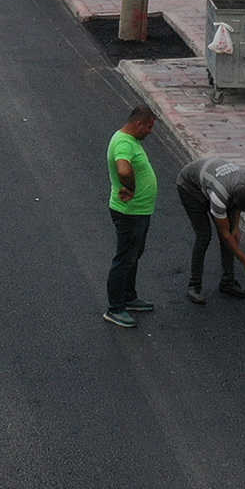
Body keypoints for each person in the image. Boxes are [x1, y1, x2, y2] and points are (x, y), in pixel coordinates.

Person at [177, 155, 245, 304]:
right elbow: (224, 234)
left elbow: (237, 209)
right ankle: (194, 285)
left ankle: (228, 282)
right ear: (234, 200)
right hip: (190, 188)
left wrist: (235, 227)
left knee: (230, 233)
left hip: (215, 183)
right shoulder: (219, 195)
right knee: (204, 236)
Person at [104, 105, 159, 328]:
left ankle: (129, 296)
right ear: (138, 124)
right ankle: (115, 308)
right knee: (124, 259)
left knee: (134, 254)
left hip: (140, 212)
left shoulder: (129, 140)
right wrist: (132, 188)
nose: (150, 131)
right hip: (130, 213)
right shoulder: (125, 143)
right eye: (149, 127)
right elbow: (124, 170)